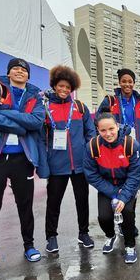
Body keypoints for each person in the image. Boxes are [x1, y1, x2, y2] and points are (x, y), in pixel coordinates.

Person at [0, 58, 45, 272]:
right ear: (8, 73)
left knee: (25, 205)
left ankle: (29, 246)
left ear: (28, 75)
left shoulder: (35, 95)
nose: (19, 72)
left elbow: (36, 121)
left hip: (22, 159)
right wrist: (19, 125)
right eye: (15, 69)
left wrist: (5, 114)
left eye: (23, 70)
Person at [36, 65, 96, 254]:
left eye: (67, 87)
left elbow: (91, 132)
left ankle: (83, 232)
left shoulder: (79, 107)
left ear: (72, 89)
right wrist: (44, 163)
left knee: (82, 200)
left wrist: (88, 153)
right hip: (57, 165)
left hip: (79, 164)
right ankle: (51, 236)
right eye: (60, 86)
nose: (64, 90)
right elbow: (40, 137)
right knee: (54, 202)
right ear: (54, 86)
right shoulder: (45, 108)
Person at [83, 113, 140, 264]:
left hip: (127, 185)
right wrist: (114, 193)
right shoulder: (92, 146)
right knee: (104, 217)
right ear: (98, 130)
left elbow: (136, 174)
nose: (108, 133)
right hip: (107, 186)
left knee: (127, 213)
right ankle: (111, 236)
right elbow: (91, 175)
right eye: (103, 130)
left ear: (117, 126)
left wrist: (123, 196)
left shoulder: (131, 145)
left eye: (111, 128)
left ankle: (130, 246)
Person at [96, 68, 140, 167]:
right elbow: (98, 122)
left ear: (134, 83)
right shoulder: (110, 101)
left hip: (138, 150)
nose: (127, 84)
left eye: (130, 81)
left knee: (136, 180)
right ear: (119, 83)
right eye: (124, 81)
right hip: (117, 148)